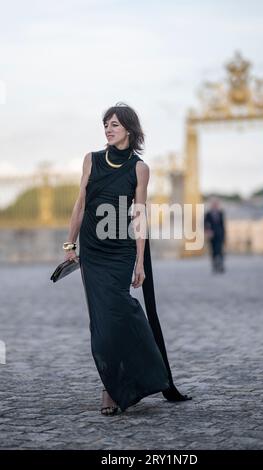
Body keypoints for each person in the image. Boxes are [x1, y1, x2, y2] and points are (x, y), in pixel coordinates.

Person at [63, 102, 191, 416]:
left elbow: (140, 216)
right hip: (93, 251)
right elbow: (80, 204)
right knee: (102, 323)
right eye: (106, 124)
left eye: (115, 124)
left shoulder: (139, 168)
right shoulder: (91, 160)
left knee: (119, 313)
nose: (108, 129)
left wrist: (140, 261)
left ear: (130, 130)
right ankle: (110, 387)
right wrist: (70, 243)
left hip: (121, 251)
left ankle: (133, 376)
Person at [204, 197, 226, 273]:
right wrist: (207, 232)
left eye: (216, 204)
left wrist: (224, 236)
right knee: (213, 252)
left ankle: (221, 266)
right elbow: (205, 224)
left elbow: (223, 225)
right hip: (212, 237)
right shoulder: (208, 214)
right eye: (214, 204)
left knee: (220, 251)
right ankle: (215, 266)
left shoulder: (221, 213)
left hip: (219, 235)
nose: (215, 205)